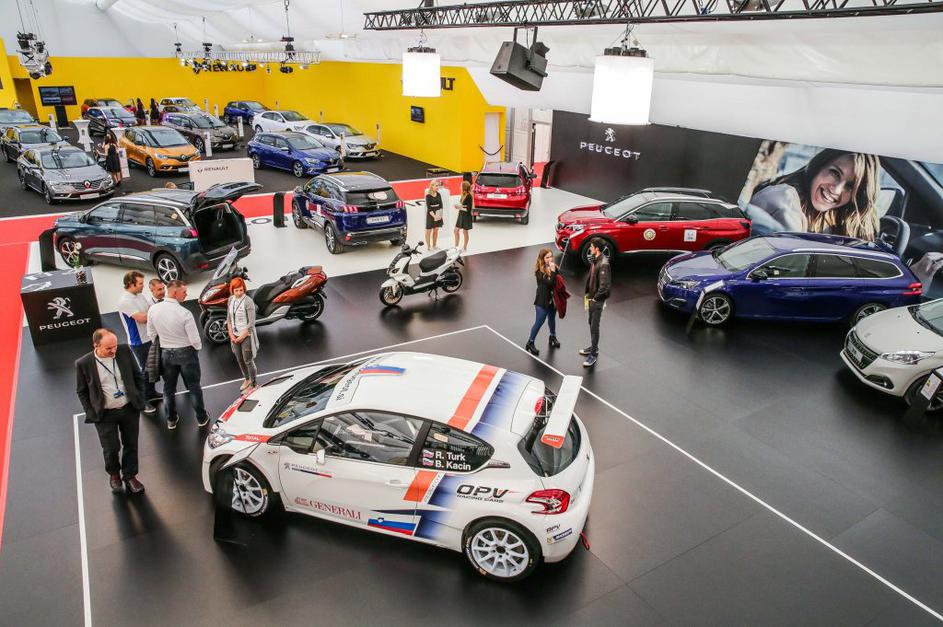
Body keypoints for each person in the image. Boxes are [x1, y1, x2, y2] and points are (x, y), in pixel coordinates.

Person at [75, 328, 150, 494]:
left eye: (115, 346)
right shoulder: (84, 363)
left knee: (131, 444)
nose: (113, 350)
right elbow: (81, 391)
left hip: (129, 408)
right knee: (111, 447)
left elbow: (138, 376)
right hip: (105, 414)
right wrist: (91, 412)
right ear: (96, 345)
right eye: (108, 348)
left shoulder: (124, 351)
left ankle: (130, 476)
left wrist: (140, 397)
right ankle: (114, 474)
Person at [748, 149, 879, 241]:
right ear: (819, 166)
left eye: (850, 186)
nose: (836, 190)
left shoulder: (839, 218)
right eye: (835, 173)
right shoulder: (783, 198)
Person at [146, 280, 208, 429]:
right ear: (174, 293)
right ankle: (201, 418)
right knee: (194, 387)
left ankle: (171, 419)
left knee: (168, 388)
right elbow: (195, 340)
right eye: (184, 292)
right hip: (186, 353)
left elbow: (151, 334)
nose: (186, 294)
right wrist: (195, 350)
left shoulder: (153, 310)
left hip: (166, 354)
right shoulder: (185, 313)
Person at [117, 271, 158, 408]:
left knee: (151, 368)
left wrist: (151, 312)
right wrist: (154, 311)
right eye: (140, 283)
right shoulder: (125, 301)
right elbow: (142, 318)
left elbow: (149, 311)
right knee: (145, 371)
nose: (143, 286)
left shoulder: (140, 295)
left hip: (149, 337)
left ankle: (151, 393)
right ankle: (143, 400)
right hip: (138, 342)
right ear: (131, 283)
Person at [580, 238, 611, 368]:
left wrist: (595, 298)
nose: (590, 248)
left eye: (592, 246)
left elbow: (604, 286)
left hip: (597, 300)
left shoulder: (603, 264)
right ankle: (593, 347)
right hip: (591, 297)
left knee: (594, 326)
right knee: (590, 322)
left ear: (597, 248)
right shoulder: (596, 260)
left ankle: (593, 354)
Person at [525, 248, 560, 356]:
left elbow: (558, 280)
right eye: (547, 257)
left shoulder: (554, 267)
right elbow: (550, 283)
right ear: (542, 259)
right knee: (539, 322)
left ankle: (552, 336)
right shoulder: (539, 271)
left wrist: (555, 271)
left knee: (552, 319)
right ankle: (530, 342)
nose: (550, 259)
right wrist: (553, 271)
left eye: (551, 256)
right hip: (542, 300)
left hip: (552, 299)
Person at [226, 277, 259, 390]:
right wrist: (231, 335)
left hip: (246, 336)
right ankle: (247, 379)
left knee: (248, 361)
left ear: (244, 289)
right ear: (232, 290)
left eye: (241, 290)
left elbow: (251, 324)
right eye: (236, 290)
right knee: (240, 360)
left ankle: (253, 384)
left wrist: (240, 337)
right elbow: (229, 319)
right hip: (234, 336)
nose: (239, 293)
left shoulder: (248, 301)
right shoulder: (230, 300)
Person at [424, 179, 445, 250]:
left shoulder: (438, 194)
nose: (437, 187)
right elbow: (429, 208)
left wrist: (440, 215)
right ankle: (428, 246)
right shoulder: (428, 196)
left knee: (436, 230)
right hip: (431, 214)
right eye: (436, 186)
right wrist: (434, 216)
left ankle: (434, 245)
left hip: (438, 213)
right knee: (428, 231)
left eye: (438, 186)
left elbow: (441, 206)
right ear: (432, 186)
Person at [453, 180, 473, 252]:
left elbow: (468, 209)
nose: (460, 187)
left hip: (466, 216)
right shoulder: (463, 195)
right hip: (461, 215)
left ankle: (465, 247)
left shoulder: (469, 196)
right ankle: (456, 246)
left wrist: (459, 207)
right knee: (456, 230)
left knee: (465, 231)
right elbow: (462, 205)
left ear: (464, 187)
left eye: (461, 186)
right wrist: (458, 206)